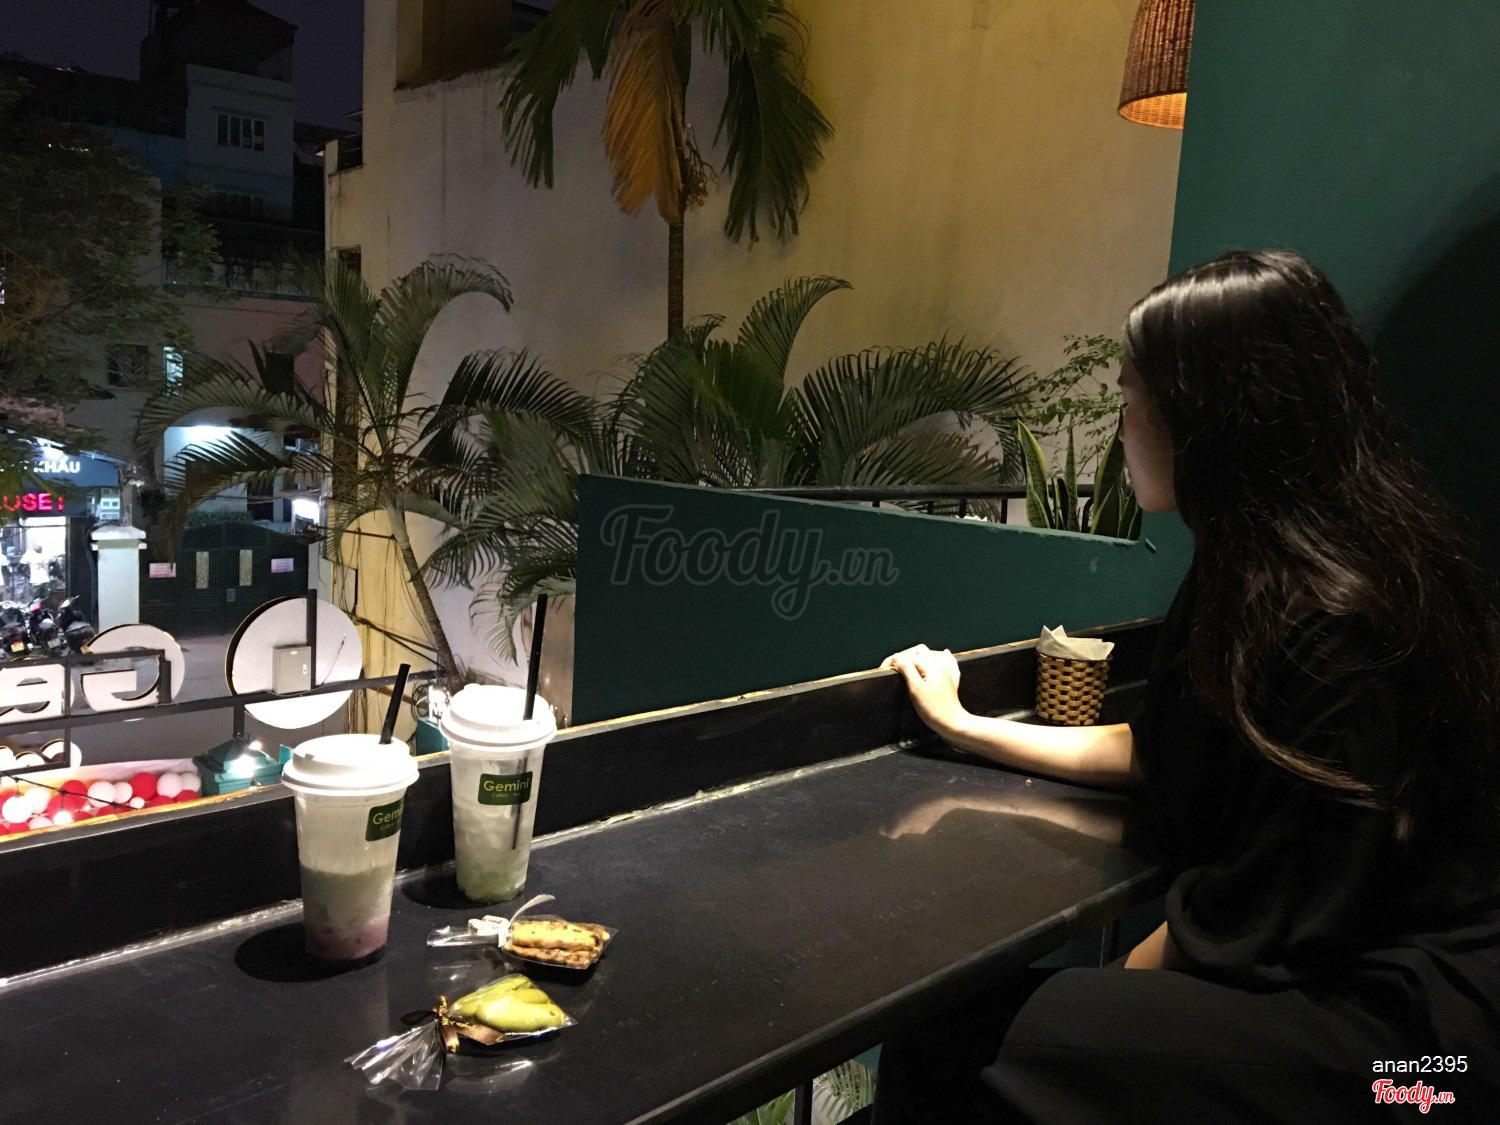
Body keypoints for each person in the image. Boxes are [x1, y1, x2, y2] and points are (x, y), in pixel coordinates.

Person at [874, 251, 1500, 1123]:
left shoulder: (1341, 624)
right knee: (959, 1036)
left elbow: (1268, 922)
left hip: (1425, 1058)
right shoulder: (1249, 573)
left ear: (1204, 415)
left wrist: (1112, 1008)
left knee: (958, 1046)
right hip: (1335, 986)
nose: (1120, 426)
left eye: (1132, 398)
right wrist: (966, 724)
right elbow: (1160, 752)